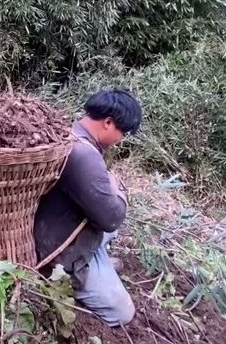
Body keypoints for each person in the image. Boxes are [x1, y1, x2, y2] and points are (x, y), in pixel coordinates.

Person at [34, 88, 142, 326]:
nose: (120, 139)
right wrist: (120, 192)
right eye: (122, 132)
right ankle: (77, 278)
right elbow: (111, 218)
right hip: (59, 251)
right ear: (108, 122)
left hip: (50, 225)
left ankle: (101, 266)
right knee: (122, 312)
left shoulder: (69, 133)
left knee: (109, 225)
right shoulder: (84, 155)